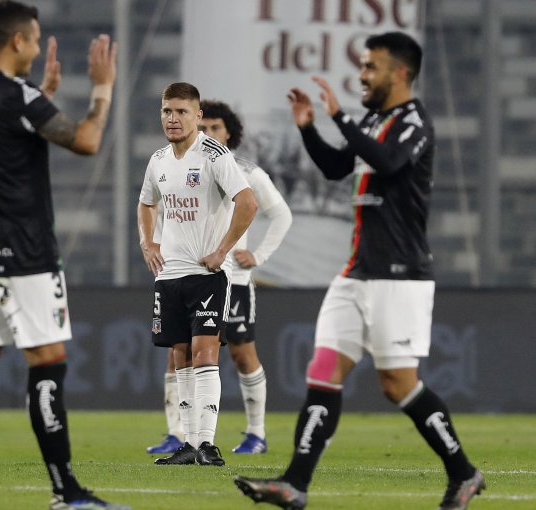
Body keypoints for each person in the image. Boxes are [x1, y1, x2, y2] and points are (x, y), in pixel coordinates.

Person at [234, 32, 485, 510]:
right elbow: (335, 167)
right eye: (363, 65)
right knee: (323, 370)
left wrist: (339, 117)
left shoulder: (416, 122)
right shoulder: (374, 118)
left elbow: (388, 162)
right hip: (356, 272)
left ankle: (464, 472)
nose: (362, 74)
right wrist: (309, 129)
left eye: (371, 67)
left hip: (400, 275)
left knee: (398, 385)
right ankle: (294, 483)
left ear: (400, 73)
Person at [0, 2, 128, 509]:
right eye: (34, 40)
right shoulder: (15, 95)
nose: (37, 48)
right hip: (23, 253)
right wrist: (103, 86)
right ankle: (66, 493)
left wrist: (43, 95)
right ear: (17, 41)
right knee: (49, 365)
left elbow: (3, 139)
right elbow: (87, 140)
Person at [146, 101, 292, 457]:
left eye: (216, 128)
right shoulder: (172, 163)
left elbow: (280, 215)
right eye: (205, 127)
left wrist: (257, 256)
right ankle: (178, 434)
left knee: (241, 353)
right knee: (177, 352)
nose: (209, 134)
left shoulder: (245, 172)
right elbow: (162, 211)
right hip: (183, 273)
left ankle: (255, 432)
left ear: (230, 134)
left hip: (232, 278)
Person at [137, 82, 258, 467]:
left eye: (182, 112)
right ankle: (189, 444)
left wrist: (222, 250)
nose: (173, 119)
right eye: (167, 111)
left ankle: (207, 443)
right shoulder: (158, 160)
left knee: (206, 351)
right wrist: (147, 243)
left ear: (198, 116)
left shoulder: (213, 155)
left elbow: (248, 202)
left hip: (205, 274)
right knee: (179, 355)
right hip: (168, 274)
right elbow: (145, 204)